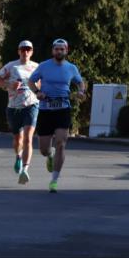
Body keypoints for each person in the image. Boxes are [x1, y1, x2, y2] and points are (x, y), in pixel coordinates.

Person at [28, 38, 86, 192]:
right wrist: (38, 92)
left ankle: (54, 180)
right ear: (53, 50)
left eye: (62, 49)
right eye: (56, 49)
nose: (59, 51)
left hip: (63, 109)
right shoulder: (44, 66)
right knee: (44, 150)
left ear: (66, 51)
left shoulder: (71, 68)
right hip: (46, 109)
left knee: (61, 143)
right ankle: (50, 155)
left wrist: (81, 91)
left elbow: (80, 82)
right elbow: (31, 81)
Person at [0, 40, 40, 184]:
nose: (25, 52)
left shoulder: (37, 67)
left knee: (28, 138)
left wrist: (38, 88)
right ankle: (18, 156)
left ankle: (25, 170)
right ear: (18, 51)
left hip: (31, 105)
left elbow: (41, 84)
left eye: (28, 49)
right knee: (18, 140)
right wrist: (9, 84)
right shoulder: (11, 66)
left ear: (32, 52)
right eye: (23, 49)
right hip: (14, 107)